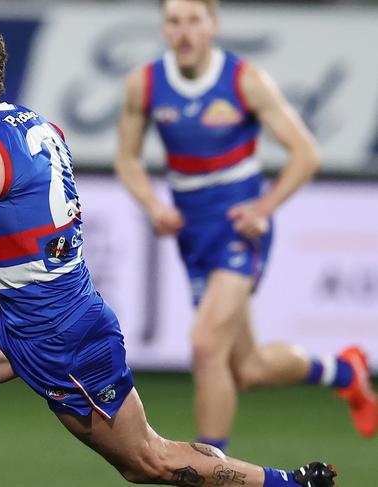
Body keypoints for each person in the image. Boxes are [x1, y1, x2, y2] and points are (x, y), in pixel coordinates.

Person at [0, 13, 338, 487]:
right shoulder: (36, 124)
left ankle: (293, 484)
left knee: (148, 462)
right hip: (20, 311)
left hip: (60, 331)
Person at [115, 0, 377, 453]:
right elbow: (127, 159)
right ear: (164, 29)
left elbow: (305, 153)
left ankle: (212, 469)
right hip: (192, 232)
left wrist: (264, 207)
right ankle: (345, 372)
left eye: (194, 21)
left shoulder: (245, 80)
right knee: (248, 369)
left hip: (240, 228)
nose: (184, 32)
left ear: (213, 25)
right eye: (174, 22)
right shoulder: (146, 83)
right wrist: (152, 204)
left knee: (204, 344)